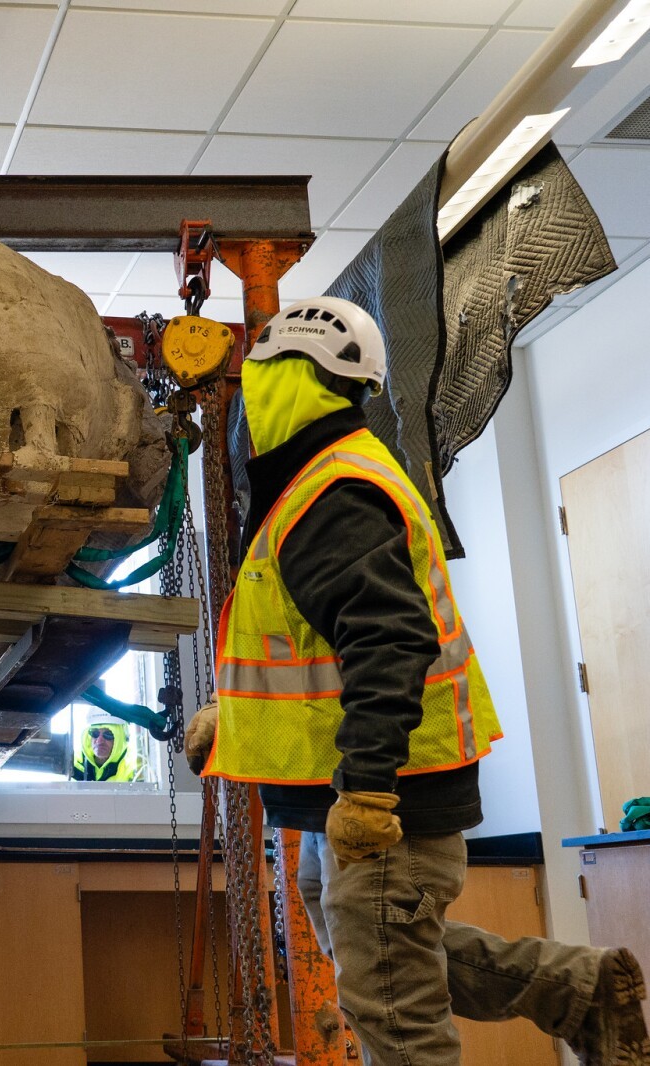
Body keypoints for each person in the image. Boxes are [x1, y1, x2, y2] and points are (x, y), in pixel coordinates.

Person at [185, 296, 647, 1066]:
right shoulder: (317, 482)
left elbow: (388, 640)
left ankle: (574, 989)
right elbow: (315, 643)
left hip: (380, 793)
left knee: (393, 1007)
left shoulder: (334, 494)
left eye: (257, 381)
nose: (248, 405)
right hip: (348, 786)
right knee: (372, 947)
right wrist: (232, 717)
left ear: (285, 381)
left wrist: (367, 790)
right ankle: (576, 988)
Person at [71, 713, 140, 782]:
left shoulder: (134, 768)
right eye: (95, 733)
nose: (99, 741)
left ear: (121, 738)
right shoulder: (72, 764)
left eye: (108, 734)